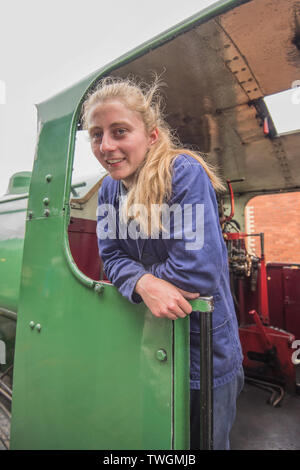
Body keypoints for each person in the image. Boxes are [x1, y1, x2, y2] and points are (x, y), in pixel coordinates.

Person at [82, 76, 244, 450]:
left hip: (204, 354)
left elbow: (196, 271)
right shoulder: (108, 189)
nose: (106, 146)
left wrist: (137, 279)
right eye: (96, 135)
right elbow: (110, 255)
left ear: (151, 135)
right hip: (152, 348)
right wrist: (144, 284)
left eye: (119, 131)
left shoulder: (182, 172)